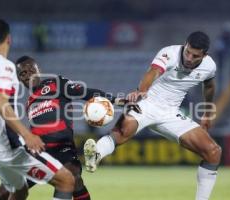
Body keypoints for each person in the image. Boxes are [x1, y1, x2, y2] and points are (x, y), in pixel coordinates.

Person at [84, 31, 222, 200]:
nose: (189, 58)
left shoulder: (209, 66)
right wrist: (141, 91)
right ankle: (96, 153)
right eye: (187, 52)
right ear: (185, 44)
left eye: (195, 56)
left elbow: (209, 87)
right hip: (146, 103)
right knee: (123, 130)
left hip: (171, 113)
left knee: (213, 152)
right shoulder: (169, 53)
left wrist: (207, 114)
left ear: (204, 55)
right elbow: (153, 72)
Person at [0, 55, 141, 200]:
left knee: (74, 178)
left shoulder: (55, 83)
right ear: (19, 79)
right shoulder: (29, 102)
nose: (28, 75)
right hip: (37, 152)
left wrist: (117, 100)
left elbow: (84, 92)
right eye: (23, 73)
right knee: (3, 192)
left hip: (62, 148)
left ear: (39, 70)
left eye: (31, 70)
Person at [0, 19, 74, 200]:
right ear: (9, 39)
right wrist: (27, 135)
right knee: (66, 181)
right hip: (11, 149)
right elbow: (0, 103)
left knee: (20, 191)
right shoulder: (4, 66)